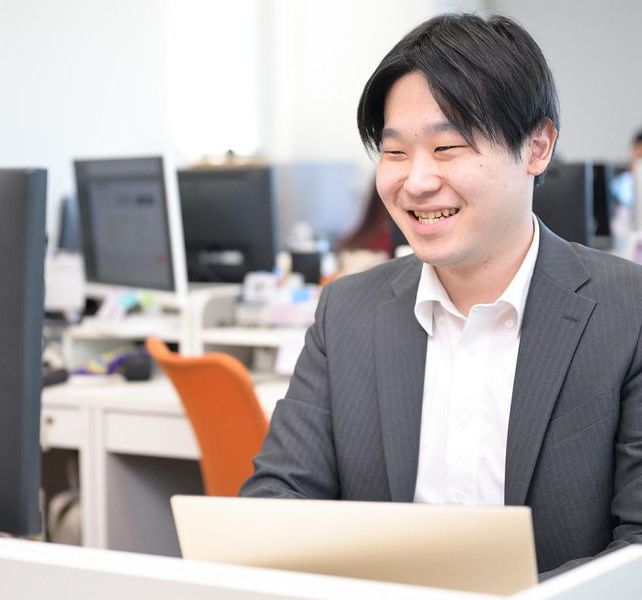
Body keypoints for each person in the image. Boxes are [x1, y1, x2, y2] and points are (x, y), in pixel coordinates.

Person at [241, 13, 642, 579]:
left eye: (447, 146)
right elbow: (276, 502)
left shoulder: (627, 313)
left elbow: (637, 547)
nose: (417, 181)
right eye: (395, 152)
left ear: (537, 146)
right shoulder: (346, 312)